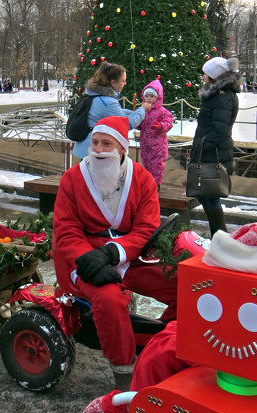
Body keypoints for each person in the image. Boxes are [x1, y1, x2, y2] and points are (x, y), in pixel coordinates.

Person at [52, 115, 179, 391]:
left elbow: (146, 228)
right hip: (81, 258)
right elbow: (66, 230)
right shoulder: (72, 180)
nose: (98, 149)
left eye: (106, 143)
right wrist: (88, 260)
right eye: (94, 143)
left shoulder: (142, 180)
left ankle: (167, 344)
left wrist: (112, 253)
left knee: (181, 284)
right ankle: (124, 375)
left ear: (122, 148)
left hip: (126, 255)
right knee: (108, 297)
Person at [189, 56, 240, 237]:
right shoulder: (218, 95)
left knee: (210, 196)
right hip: (210, 153)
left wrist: (201, 146)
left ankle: (220, 236)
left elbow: (219, 131)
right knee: (206, 196)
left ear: (213, 76)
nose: (203, 76)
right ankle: (219, 236)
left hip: (213, 154)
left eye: (205, 73)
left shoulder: (221, 97)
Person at [72, 61, 151, 160]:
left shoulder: (96, 95)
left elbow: (116, 112)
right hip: (95, 152)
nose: (125, 83)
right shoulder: (107, 102)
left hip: (86, 149)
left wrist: (131, 112)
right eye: (123, 81)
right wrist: (142, 110)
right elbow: (126, 124)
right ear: (113, 82)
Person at [138, 79, 173, 189]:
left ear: (158, 97)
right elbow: (140, 124)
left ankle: (156, 183)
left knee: (157, 164)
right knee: (146, 162)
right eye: (147, 96)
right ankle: (148, 181)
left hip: (158, 144)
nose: (148, 98)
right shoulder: (143, 110)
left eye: (152, 96)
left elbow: (169, 122)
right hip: (145, 143)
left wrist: (161, 126)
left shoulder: (162, 111)